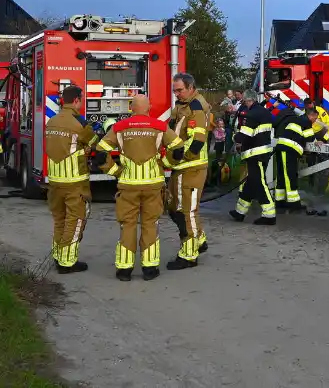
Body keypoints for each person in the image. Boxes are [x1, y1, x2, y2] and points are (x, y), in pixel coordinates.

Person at [99, 95, 167, 282]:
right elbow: (178, 148)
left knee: (127, 225)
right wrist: (164, 164)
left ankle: (124, 270)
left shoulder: (119, 127)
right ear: (149, 107)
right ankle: (150, 268)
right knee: (150, 224)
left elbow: (100, 151)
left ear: (131, 108)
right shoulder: (159, 126)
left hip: (128, 185)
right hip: (153, 185)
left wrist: (115, 171)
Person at [44, 85, 99, 274]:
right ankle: (67, 262)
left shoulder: (51, 121)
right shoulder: (79, 122)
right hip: (74, 181)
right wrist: (87, 150)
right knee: (75, 221)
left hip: (54, 181)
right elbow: (94, 142)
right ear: (76, 100)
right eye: (81, 100)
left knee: (59, 219)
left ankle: (58, 255)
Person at [163, 72, 212, 269]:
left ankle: (189, 255)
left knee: (186, 211)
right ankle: (199, 240)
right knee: (175, 208)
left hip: (190, 167)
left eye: (180, 90)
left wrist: (178, 157)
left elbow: (196, 141)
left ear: (191, 88)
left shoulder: (195, 108)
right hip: (181, 168)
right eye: (174, 90)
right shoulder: (183, 105)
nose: (177, 94)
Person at [230, 90, 277, 225]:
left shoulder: (252, 114)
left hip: (255, 154)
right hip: (263, 151)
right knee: (251, 182)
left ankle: (269, 215)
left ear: (247, 100)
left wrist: (234, 138)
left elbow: (244, 134)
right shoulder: (264, 112)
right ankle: (240, 212)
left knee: (259, 182)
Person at [272, 103, 318, 210]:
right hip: (288, 150)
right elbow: (310, 138)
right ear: (311, 116)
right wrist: (318, 141)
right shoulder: (306, 122)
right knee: (289, 175)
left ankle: (280, 200)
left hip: (282, 148)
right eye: (315, 118)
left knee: (281, 175)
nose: (315, 121)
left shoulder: (297, 120)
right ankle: (294, 203)